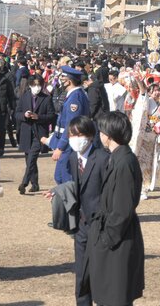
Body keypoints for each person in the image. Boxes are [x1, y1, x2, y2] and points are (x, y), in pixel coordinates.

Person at [46, 115, 110, 306]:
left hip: (101, 225)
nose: (75, 139)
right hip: (81, 224)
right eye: (71, 135)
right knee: (81, 273)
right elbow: (76, 186)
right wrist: (58, 192)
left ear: (90, 136)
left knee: (102, 272)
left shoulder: (103, 159)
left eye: (79, 134)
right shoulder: (73, 158)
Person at [84, 111, 145, 306]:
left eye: (101, 131)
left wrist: (106, 238)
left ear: (108, 134)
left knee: (115, 298)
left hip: (117, 240)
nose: (100, 135)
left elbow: (122, 208)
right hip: (112, 237)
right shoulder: (118, 157)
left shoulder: (125, 161)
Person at [43, 66, 91, 184]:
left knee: (65, 178)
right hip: (67, 142)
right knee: (60, 177)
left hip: (70, 144)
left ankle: (71, 201)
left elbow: (71, 125)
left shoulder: (75, 98)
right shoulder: (73, 95)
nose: (61, 81)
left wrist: (60, 147)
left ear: (68, 81)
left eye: (63, 78)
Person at [15, 74, 57, 193]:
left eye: (39, 85)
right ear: (30, 85)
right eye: (34, 85)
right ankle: (35, 183)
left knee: (32, 158)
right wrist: (24, 115)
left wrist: (39, 117)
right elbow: (17, 113)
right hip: (26, 131)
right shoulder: (24, 96)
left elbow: (51, 116)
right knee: (29, 158)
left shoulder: (46, 98)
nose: (37, 87)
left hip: (39, 133)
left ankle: (24, 183)